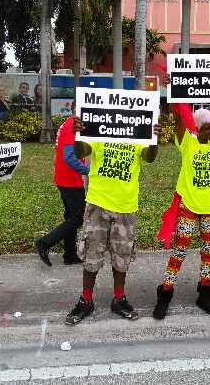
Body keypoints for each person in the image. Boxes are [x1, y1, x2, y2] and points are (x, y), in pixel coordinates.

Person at [152, 76, 210, 320]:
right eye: (207, 128)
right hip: (189, 207)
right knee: (179, 252)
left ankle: (205, 296)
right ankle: (165, 295)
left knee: (208, 252)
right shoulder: (187, 143)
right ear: (198, 129)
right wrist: (173, 90)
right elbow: (178, 117)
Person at [64, 115, 162, 325]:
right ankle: (86, 299)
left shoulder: (137, 135)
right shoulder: (100, 131)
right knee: (92, 253)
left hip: (125, 206)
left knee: (122, 255)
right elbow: (81, 151)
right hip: (98, 203)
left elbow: (149, 157)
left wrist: (154, 138)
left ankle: (119, 299)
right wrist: (77, 134)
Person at [35, 99, 87, 266]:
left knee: (71, 216)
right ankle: (45, 242)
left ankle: (69, 254)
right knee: (77, 218)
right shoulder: (72, 126)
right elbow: (69, 157)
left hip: (63, 178)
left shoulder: (68, 124)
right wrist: (88, 171)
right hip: (72, 181)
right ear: (77, 109)